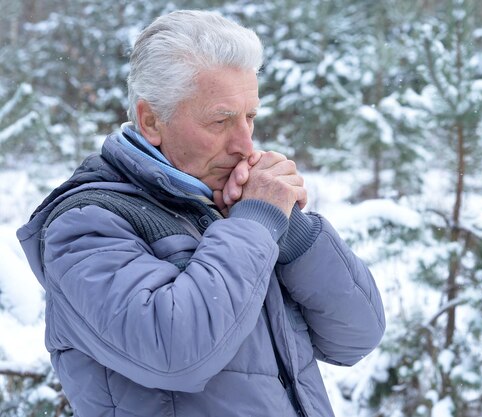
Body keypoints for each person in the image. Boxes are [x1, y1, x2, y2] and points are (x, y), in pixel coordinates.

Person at [17, 9, 385, 417]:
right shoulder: (86, 223)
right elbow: (177, 353)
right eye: (221, 120)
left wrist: (289, 230)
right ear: (151, 120)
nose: (245, 145)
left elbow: (355, 336)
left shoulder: (230, 207)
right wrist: (257, 222)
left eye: (250, 117)